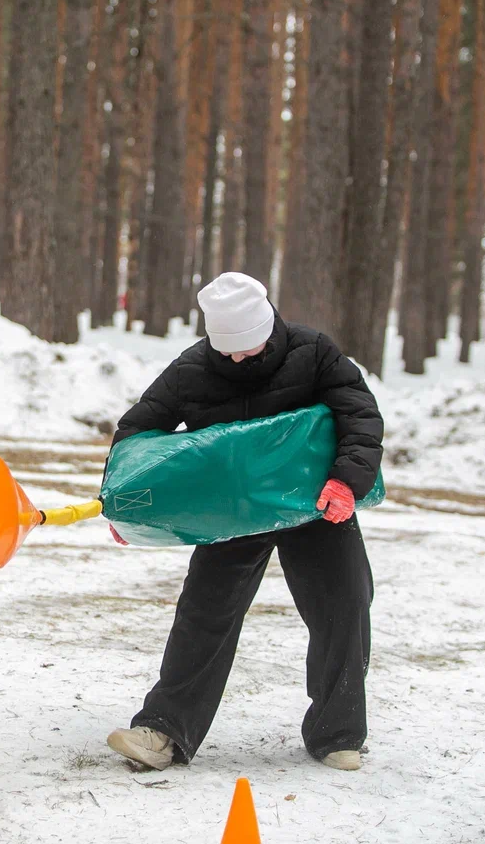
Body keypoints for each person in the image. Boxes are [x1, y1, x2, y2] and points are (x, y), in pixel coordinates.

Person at [104, 271, 383, 773]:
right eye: (226, 350)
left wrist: (347, 481)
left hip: (314, 503)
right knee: (203, 614)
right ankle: (163, 731)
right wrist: (130, 506)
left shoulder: (313, 351)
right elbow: (137, 435)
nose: (238, 359)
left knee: (344, 604)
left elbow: (359, 414)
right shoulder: (190, 370)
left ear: (269, 328)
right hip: (231, 512)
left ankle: (338, 733)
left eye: (248, 349)